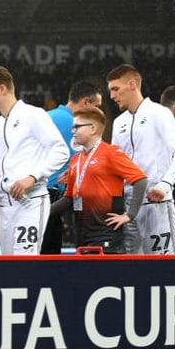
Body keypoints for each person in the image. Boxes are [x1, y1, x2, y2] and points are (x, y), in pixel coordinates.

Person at [0, 66, 69, 256]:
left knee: (24, 262)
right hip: (4, 206)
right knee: (9, 265)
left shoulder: (33, 115)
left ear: (2, 89)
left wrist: (32, 177)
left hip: (31, 202)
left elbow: (60, 150)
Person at [107, 64, 175, 255]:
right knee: (131, 272)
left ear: (132, 85)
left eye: (115, 89)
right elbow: (115, 164)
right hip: (128, 209)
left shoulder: (159, 113)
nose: (112, 96)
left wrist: (164, 185)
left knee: (163, 268)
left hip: (157, 205)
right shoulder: (119, 122)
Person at [48, 107, 148, 253]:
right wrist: (44, 212)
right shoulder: (76, 160)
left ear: (92, 128)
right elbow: (69, 198)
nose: (72, 131)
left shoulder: (111, 153)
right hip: (82, 235)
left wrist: (129, 215)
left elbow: (141, 180)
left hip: (106, 234)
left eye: (77, 127)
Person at [42, 80, 103, 254]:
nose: (98, 112)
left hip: (40, 195)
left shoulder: (48, 116)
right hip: (52, 195)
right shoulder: (77, 125)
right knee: (50, 255)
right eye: (97, 106)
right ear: (85, 102)